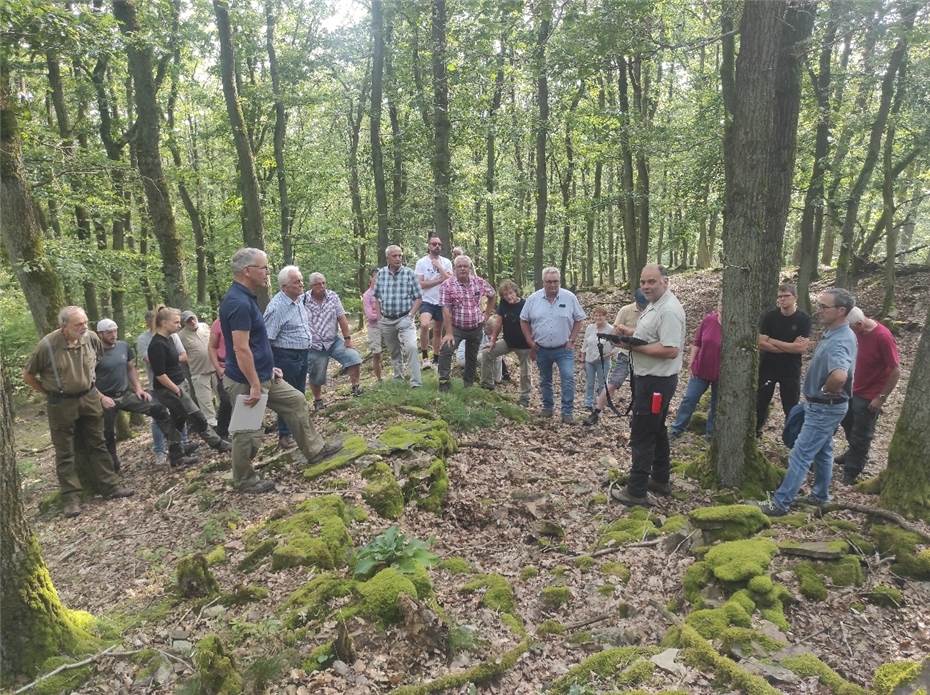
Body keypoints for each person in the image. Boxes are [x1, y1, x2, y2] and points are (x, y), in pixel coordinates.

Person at [220, 247, 343, 493]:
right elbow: (241, 349)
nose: (268, 272)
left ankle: (315, 450)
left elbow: (259, 342)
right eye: (264, 267)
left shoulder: (248, 298)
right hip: (246, 380)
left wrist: (269, 366)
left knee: (296, 400)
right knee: (248, 432)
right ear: (248, 271)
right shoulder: (237, 303)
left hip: (264, 373)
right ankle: (243, 480)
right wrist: (255, 383)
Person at [23, 306, 133, 518]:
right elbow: (28, 375)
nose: (83, 327)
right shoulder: (47, 345)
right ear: (63, 326)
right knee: (65, 451)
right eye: (78, 324)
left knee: (98, 443)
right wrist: (49, 392)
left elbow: (96, 360)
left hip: (90, 397)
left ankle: (110, 486)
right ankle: (72, 498)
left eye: (85, 322)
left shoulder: (91, 338)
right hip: (61, 403)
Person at [757, 288, 858, 516]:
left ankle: (780, 503)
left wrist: (824, 390)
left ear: (841, 311)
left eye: (824, 307)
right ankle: (820, 496)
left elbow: (840, 375)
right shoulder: (836, 332)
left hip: (824, 407)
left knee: (800, 454)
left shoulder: (839, 340)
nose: (818, 311)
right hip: (824, 406)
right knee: (823, 451)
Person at [612, 265, 686, 506]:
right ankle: (660, 478)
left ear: (665, 281)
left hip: (657, 382)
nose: (646, 286)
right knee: (657, 429)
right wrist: (629, 333)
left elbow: (670, 349)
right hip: (648, 379)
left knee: (643, 431)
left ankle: (636, 490)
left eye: (651, 282)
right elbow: (653, 335)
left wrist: (632, 346)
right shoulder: (654, 305)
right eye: (643, 282)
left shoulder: (670, 309)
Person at [94, 318, 188, 471]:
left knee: (160, 410)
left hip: (125, 393)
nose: (113, 334)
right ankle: (113, 469)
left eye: (115, 330)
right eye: (108, 332)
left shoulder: (123, 346)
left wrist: (138, 388)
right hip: (104, 397)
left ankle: (177, 454)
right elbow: (88, 379)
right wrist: (101, 397)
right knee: (107, 434)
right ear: (100, 334)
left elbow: (130, 368)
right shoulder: (94, 352)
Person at [147, 305, 231, 464]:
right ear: (164, 323)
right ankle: (219, 444)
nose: (179, 326)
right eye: (176, 322)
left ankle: (176, 455)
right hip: (169, 389)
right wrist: (176, 390)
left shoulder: (170, 339)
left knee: (177, 420)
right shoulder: (156, 344)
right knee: (197, 416)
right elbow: (159, 375)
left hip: (179, 384)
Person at [837, 307, 900, 484]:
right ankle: (852, 453)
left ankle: (852, 471)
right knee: (847, 423)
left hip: (869, 394)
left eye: (850, 328)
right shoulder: (856, 332)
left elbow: (895, 371)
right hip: (851, 388)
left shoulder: (883, 336)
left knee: (861, 434)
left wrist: (881, 397)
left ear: (859, 324)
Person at [520, 267, 586, 423]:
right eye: (549, 281)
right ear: (543, 282)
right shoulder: (533, 299)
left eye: (555, 281)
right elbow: (523, 320)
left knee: (568, 377)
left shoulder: (569, 297)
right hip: (541, 348)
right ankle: (548, 408)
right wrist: (530, 341)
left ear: (560, 281)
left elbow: (579, 319)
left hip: (564, 348)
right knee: (545, 380)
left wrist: (572, 340)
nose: (552, 285)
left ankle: (567, 412)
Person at [263, 265, 313, 448]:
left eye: (301, 280)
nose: (301, 284)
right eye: (296, 281)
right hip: (285, 356)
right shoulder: (277, 307)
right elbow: (266, 338)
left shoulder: (299, 300)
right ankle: (285, 435)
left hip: (302, 354)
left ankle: (300, 431)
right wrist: (270, 364)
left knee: (299, 394)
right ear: (284, 286)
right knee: (289, 397)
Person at [583, 289, 647, 426]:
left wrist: (634, 333)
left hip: (645, 357)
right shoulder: (625, 310)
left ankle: (637, 415)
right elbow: (615, 332)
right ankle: (596, 412)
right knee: (612, 383)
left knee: (641, 387)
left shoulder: (653, 311)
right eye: (641, 303)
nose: (643, 306)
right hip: (625, 355)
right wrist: (624, 336)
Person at [756, 283, 811, 436]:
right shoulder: (770, 316)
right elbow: (760, 343)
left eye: (786, 296)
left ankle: (791, 436)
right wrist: (789, 347)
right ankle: (756, 430)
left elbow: (800, 348)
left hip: (791, 369)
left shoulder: (803, 319)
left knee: (791, 405)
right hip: (768, 366)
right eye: (779, 296)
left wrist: (772, 341)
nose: (782, 299)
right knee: (761, 401)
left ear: (795, 298)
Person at [138, 310, 191, 465]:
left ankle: (183, 444)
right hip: (158, 385)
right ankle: (160, 451)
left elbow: (183, 355)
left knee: (180, 413)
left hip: (177, 379)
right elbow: (150, 361)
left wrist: (169, 358)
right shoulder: (146, 339)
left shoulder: (172, 337)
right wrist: (170, 358)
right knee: (159, 417)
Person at [437, 255, 496, 391]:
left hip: (476, 327)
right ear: (455, 268)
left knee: (472, 356)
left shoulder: (479, 282)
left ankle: (468, 385)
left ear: (470, 268)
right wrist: (449, 332)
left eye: (465, 266)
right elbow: (445, 309)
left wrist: (487, 313)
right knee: (446, 349)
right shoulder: (447, 285)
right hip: (456, 327)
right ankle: (444, 382)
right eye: (460, 266)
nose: (463, 269)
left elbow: (492, 294)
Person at [303, 272, 363, 407]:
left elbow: (341, 317)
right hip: (314, 344)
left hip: (333, 340)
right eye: (318, 284)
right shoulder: (303, 300)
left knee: (354, 358)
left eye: (324, 283)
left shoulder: (333, 297)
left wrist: (347, 338)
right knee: (316, 373)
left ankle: (356, 387)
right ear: (311, 285)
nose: (322, 286)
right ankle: (318, 400)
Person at [670, 300, 723, 438]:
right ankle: (677, 429)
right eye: (720, 302)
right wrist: (691, 361)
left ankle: (711, 434)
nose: (722, 305)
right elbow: (697, 342)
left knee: (717, 404)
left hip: (722, 373)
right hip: (701, 369)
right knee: (689, 398)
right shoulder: (709, 320)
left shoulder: (735, 325)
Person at [373, 245, 423, 387]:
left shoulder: (409, 273)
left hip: (405, 318)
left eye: (400, 255)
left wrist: (411, 316)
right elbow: (376, 297)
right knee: (394, 351)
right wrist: (378, 317)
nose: (398, 258)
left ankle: (416, 382)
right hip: (387, 319)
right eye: (394, 256)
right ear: (387, 258)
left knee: (412, 347)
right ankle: (398, 377)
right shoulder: (381, 274)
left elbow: (419, 298)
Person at [480, 279, 532, 406]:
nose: (509, 296)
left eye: (510, 293)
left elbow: (534, 323)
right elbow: (498, 322)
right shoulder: (503, 304)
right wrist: (493, 340)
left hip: (524, 344)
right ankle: (487, 385)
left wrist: (533, 342)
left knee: (525, 371)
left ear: (515, 292)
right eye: (505, 294)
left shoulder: (526, 304)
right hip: (508, 341)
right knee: (487, 353)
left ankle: (525, 397)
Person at [415, 236, 453, 369]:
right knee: (424, 325)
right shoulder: (421, 262)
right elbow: (420, 284)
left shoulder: (446, 262)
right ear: (429, 246)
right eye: (434, 244)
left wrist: (439, 267)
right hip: (427, 300)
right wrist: (438, 280)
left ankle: (436, 359)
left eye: (439, 244)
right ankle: (425, 357)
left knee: (438, 331)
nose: (437, 246)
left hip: (442, 301)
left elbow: (450, 280)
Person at [179, 310, 218, 427]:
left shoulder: (205, 326)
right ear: (184, 323)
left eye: (193, 318)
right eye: (188, 320)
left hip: (216, 369)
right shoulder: (180, 336)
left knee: (224, 397)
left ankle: (226, 423)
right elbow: (179, 354)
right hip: (199, 372)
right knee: (206, 403)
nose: (192, 321)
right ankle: (213, 427)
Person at [581, 306, 615, 411]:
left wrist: (606, 355)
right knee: (590, 382)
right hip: (590, 359)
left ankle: (601, 403)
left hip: (603, 360)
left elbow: (616, 347)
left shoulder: (611, 329)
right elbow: (585, 344)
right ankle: (588, 403)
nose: (598, 317)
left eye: (600, 315)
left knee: (602, 383)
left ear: (605, 316)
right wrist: (582, 358)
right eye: (596, 315)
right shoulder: (590, 328)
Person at [208, 317, 232, 439]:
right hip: (224, 366)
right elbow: (211, 347)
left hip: (242, 364)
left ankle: (258, 426)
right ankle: (222, 432)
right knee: (226, 400)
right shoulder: (218, 324)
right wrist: (218, 368)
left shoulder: (242, 318)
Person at [361, 268, 384, 382]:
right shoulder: (367, 295)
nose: (377, 279)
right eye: (375, 276)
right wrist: (383, 314)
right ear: (371, 278)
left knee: (396, 349)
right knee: (377, 353)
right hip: (374, 327)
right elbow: (370, 315)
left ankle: (398, 375)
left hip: (388, 325)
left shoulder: (386, 291)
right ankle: (379, 379)